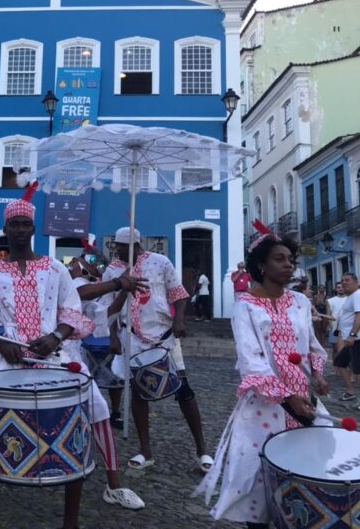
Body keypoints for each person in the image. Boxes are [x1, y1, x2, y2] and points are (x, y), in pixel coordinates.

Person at [0, 185, 124, 529]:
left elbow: (72, 310)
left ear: (33, 228)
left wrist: (56, 336)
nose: (19, 230)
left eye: (24, 224)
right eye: (13, 224)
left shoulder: (55, 269)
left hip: (56, 359)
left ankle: (103, 495)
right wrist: (1, 342)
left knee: (96, 409)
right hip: (9, 361)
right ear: (6, 230)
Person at [194, 232, 330, 528]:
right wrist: (286, 396)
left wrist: (317, 373)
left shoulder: (300, 302)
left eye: (291, 260)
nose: (288, 265)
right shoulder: (245, 306)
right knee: (259, 482)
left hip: (305, 400)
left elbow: (311, 347)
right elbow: (251, 360)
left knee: (313, 473)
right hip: (265, 406)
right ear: (262, 266)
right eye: (279, 259)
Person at [104, 226, 213, 473]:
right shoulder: (112, 271)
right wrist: (113, 334)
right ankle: (145, 451)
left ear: (132, 244)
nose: (118, 250)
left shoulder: (160, 262)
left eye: (121, 246)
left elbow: (179, 294)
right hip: (132, 338)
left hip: (164, 335)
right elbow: (108, 310)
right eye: (116, 246)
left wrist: (180, 319)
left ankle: (202, 450)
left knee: (184, 390)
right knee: (139, 393)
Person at [67, 247, 147, 430]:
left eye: (100, 264)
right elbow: (79, 293)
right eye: (92, 261)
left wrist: (125, 290)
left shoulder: (91, 288)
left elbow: (106, 314)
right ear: (74, 261)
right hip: (48, 350)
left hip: (72, 355)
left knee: (98, 409)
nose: (97, 267)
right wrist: (118, 283)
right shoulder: (61, 277)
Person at [334, 272, 360, 403]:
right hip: (351, 341)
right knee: (339, 362)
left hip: (357, 339)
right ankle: (350, 392)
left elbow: (359, 316)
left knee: (358, 371)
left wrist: (352, 335)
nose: (344, 282)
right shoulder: (350, 297)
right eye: (342, 280)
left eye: (347, 280)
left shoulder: (357, 295)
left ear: (356, 282)